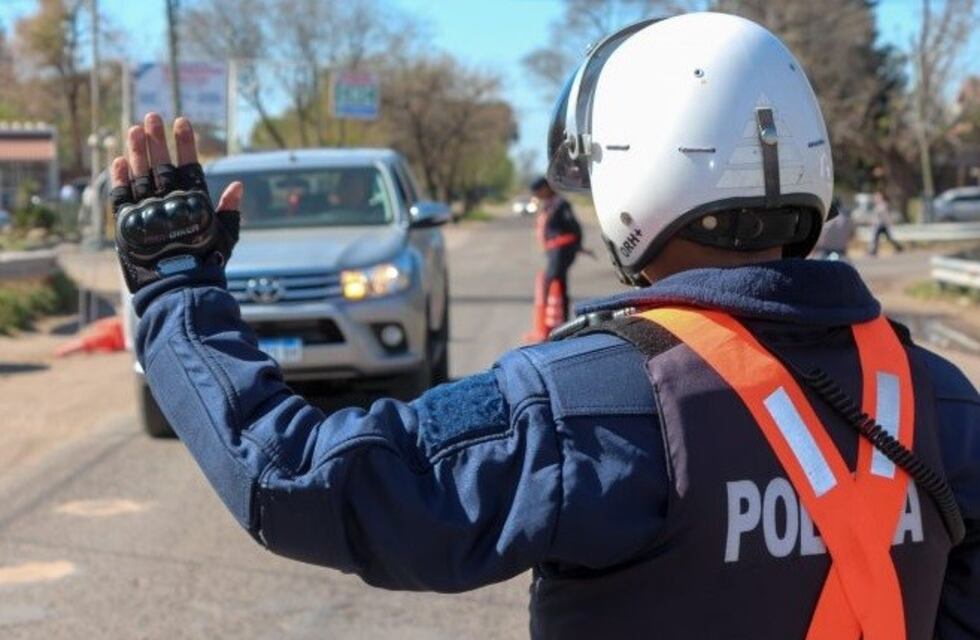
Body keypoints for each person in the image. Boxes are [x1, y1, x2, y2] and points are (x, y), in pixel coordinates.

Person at [111, 13, 978, 639]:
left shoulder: (587, 403)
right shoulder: (942, 400)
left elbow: (298, 483)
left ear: (632, 176)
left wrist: (175, 293)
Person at [527, 176, 583, 341]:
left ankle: (553, 327)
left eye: (538, 192)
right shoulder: (548, 204)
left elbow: (574, 227)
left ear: (545, 188)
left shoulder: (561, 204)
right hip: (553, 250)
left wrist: (575, 246)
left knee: (552, 281)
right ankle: (559, 325)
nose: (537, 195)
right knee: (558, 284)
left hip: (561, 249)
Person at [869, 190, 904, 256]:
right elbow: (874, 216)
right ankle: (898, 248)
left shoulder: (884, 205)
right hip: (878, 225)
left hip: (883, 225)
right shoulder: (877, 205)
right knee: (879, 238)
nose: (875, 198)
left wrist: (889, 222)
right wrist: (872, 221)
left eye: (877, 196)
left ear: (881, 197)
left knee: (877, 238)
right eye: (875, 196)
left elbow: (886, 215)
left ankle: (873, 251)